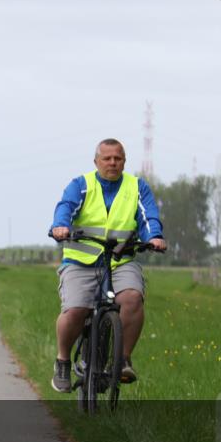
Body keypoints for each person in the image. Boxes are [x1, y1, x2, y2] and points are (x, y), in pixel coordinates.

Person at [49, 138, 165, 392]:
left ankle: (122, 360)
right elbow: (66, 207)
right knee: (76, 309)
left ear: (124, 161)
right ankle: (63, 361)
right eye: (107, 158)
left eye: (118, 158)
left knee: (132, 297)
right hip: (81, 262)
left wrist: (154, 236)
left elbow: (148, 216)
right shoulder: (81, 185)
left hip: (120, 260)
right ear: (96, 161)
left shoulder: (137, 187)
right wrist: (61, 226)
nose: (112, 162)